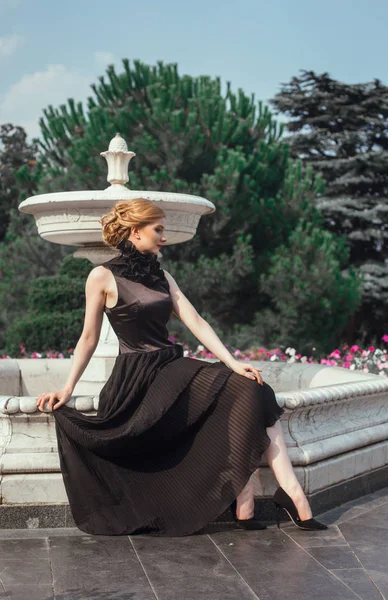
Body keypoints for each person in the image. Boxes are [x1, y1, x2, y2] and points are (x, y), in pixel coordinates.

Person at [36, 198, 327, 536]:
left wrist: (232, 362)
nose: (163, 236)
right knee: (247, 390)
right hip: (139, 377)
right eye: (157, 229)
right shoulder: (101, 276)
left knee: (253, 387)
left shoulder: (163, 276)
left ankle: (280, 495)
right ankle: (256, 499)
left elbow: (196, 322)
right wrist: (67, 388)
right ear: (135, 231)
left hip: (169, 365)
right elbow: (88, 337)